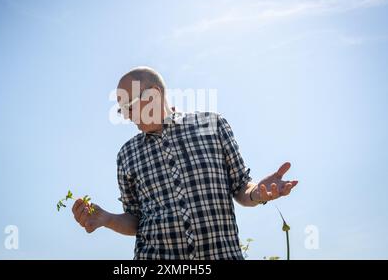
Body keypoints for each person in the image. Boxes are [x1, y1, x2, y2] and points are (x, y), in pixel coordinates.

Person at [72, 66, 298, 259]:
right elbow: (135, 220)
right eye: (122, 110)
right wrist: (106, 219)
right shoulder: (126, 154)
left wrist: (258, 192)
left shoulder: (213, 125)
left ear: (153, 94)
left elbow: (240, 187)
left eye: (129, 106)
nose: (127, 116)